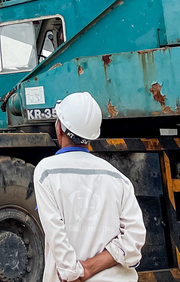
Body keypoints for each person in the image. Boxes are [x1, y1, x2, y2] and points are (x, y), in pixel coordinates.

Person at [34, 92, 146, 282]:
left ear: (58, 127)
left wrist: (75, 271)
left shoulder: (46, 172)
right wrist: (91, 267)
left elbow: (57, 235)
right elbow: (134, 239)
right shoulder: (118, 178)